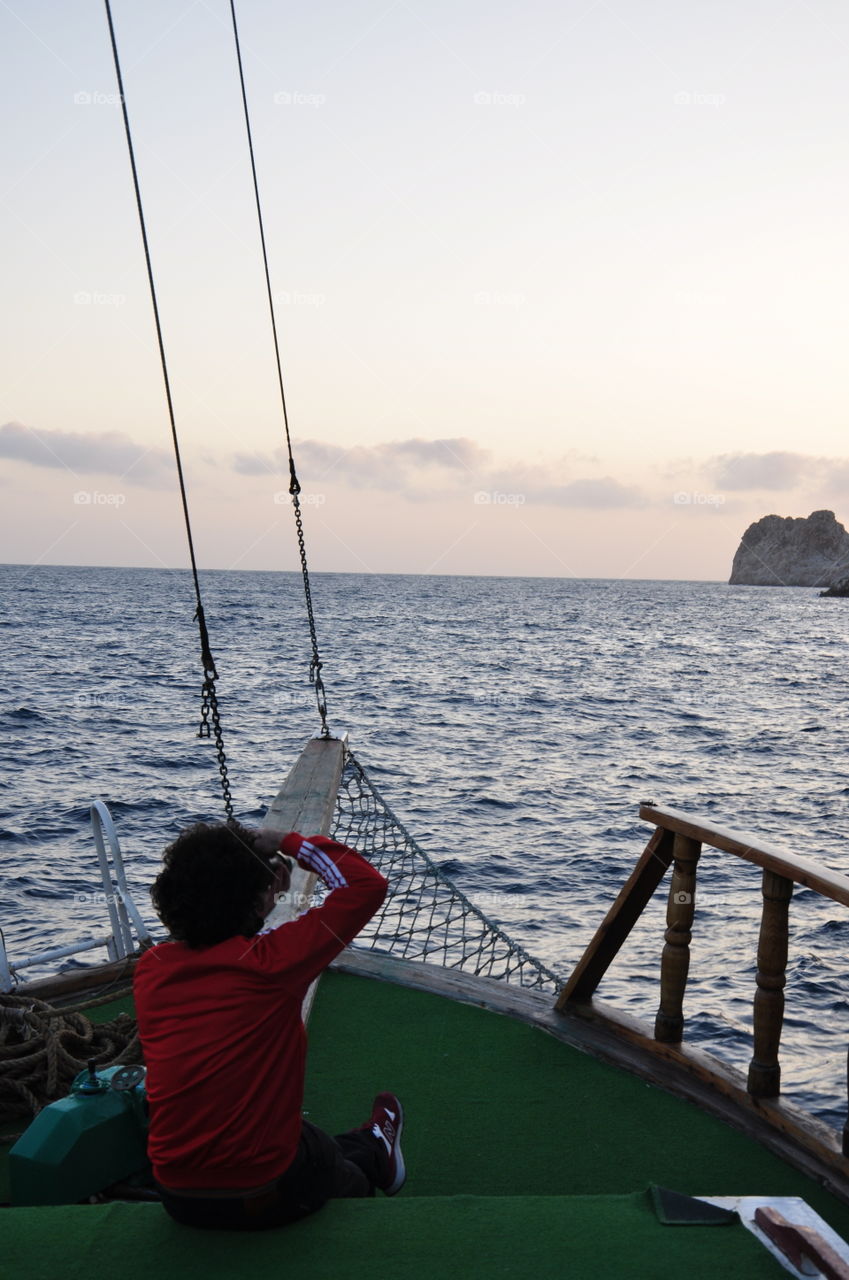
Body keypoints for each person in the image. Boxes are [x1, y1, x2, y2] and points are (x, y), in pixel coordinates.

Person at [133, 819, 405, 1230]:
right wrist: (287, 841)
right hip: (265, 1195)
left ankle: (367, 1143)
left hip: (178, 1198)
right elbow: (365, 886)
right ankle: (376, 1160)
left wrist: (260, 891)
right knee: (329, 1163)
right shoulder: (272, 965)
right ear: (259, 903)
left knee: (304, 1136)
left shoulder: (150, 970)